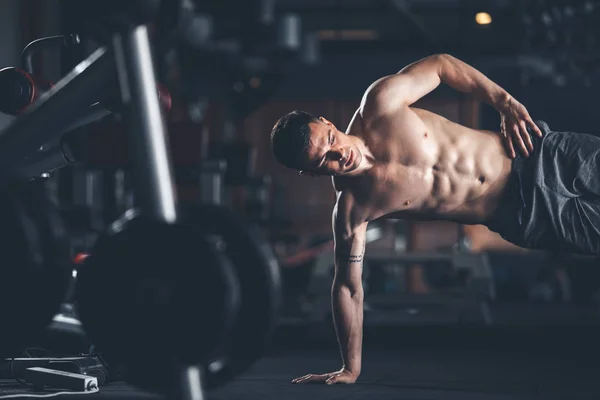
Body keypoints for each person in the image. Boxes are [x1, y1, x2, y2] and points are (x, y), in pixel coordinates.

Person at [270, 53, 600, 384]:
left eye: (330, 141)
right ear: (311, 174)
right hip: (524, 216)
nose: (339, 154)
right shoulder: (353, 208)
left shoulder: (381, 103)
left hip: (535, 154)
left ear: (328, 123)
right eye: (324, 161)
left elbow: (442, 66)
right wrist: (350, 368)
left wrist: (503, 101)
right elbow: (347, 287)